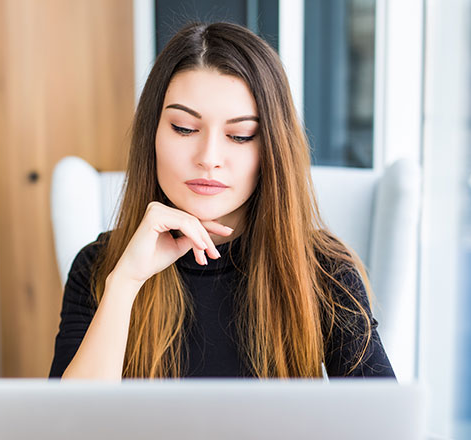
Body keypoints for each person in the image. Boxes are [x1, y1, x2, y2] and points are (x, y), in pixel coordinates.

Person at [49, 22, 395, 380]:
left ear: (272, 149)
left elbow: (388, 425)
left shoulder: (324, 271)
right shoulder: (99, 267)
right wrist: (124, 284)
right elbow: (67, 428)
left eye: (240, 135)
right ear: (151, 135)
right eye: (184, 128)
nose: (209, 157)